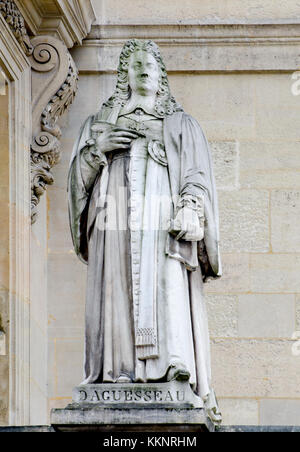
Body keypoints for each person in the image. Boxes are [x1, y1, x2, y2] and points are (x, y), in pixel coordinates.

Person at [68, 39, 222, 421]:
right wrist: (96, 150)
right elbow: (75, 184)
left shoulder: (181, 124)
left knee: (165, 282)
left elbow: (197, 173)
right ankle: (114, 372)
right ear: (125, 76)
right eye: (135, 66)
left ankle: (172, 365)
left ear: (160, 75)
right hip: (113, 221)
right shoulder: (99, 124)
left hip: (161, 222)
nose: (142, 71)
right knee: (116, 285)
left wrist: (190, 206)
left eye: (149, 65)